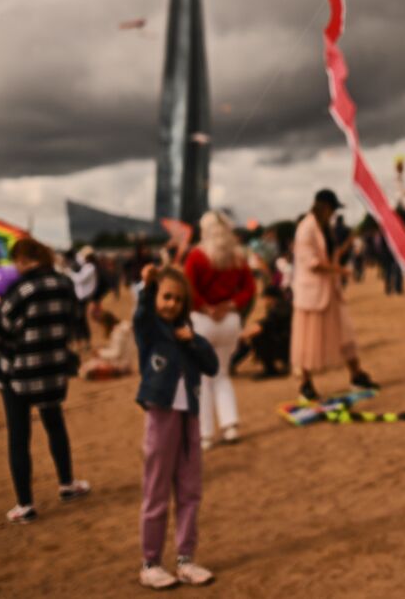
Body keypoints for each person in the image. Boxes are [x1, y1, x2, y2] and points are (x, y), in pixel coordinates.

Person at [0, 237, 91, 523]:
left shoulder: (21, 289)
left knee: (19, 438)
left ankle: (25, 504)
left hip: (20, 374)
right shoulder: (65, 284)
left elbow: (1, 329)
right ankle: (67, 484)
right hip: (52, 371)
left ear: (22, 259)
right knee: (55, 425)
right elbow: (73, 319)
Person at [133, 266, 218, 589]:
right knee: (156, 491)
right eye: (166, 297)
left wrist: (194, 340)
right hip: (161, 414)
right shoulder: (149, 331)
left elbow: (212, 365)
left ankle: (186, 558)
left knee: (190, 490)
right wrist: (147, 286)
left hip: (190, 417)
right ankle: (150, 562)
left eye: (178, 300)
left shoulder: (187, 333)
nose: (171, 304)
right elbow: (141, 315)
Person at [291, 189, 377, 400]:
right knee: (308, 341)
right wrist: (340, 270)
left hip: (330, 291)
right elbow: (312, 263)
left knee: (344, 333)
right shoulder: (306, 228)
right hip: (313, 295)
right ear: (325, 207)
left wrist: (344, 248)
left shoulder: (322, 227)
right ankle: (305, 383)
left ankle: (356, 374)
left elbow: (327, 256)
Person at [183, 211, 256, 449]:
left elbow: (188, 288)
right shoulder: (236, 256)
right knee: (222, 374)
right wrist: (231, 304)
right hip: (230, 321)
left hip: (203, 321)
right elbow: (249, 288)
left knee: (203, 379)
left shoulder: (197, 256)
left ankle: (205, 433)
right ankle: (230, 425)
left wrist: (205, 307)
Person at [81, 310, 137, 379]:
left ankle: (108, 372)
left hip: (121, 365)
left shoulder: (118, 333)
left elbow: (116, 353)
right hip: (127, 363)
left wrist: (100, 353)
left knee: (87, 368)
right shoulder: (124, 328)